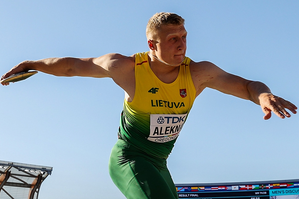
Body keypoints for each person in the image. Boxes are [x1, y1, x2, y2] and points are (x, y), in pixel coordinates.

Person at [1, 12, 297, 199]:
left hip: (159, 162)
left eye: (183, 37)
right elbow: (71, 66)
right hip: (129, 159)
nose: (181, 45)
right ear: (152, 44)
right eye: (172, 39)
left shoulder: (198, 73)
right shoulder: (126, 67)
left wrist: (262, 96)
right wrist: (32, 64)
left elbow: (246, 85)